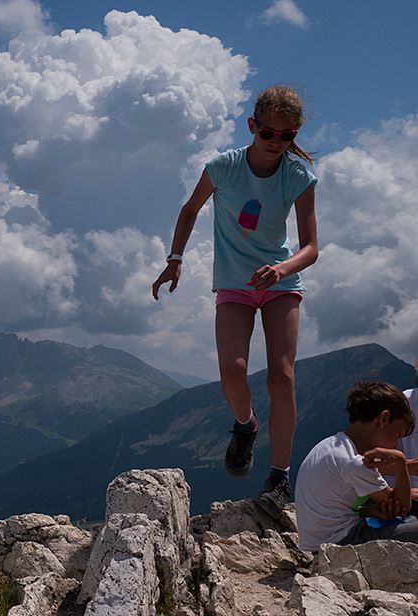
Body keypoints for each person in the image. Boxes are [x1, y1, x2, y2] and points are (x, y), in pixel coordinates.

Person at [152, 85, 318, 516]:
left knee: (281, 377)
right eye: (268, 134)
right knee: (232, 375)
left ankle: (280, 479)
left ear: (295, 133)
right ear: (252, 127)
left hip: (279, 282)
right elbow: (190, 209)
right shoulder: (223, 167)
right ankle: (246, 426)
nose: (276, 142)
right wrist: (175, 258)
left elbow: (311, 247)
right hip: (233, 281)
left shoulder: (297, 177)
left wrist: (282, 269)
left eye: (286, 136)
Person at [294, 381, 416, 552]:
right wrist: (400, 462)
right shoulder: (355, 462)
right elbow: (401, 507)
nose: (396, 444)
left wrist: (368, 511)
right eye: (398, 434)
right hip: (343, 543)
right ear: (384, 418)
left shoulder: (328, 446)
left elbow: (333, 507)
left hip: (317, 543)